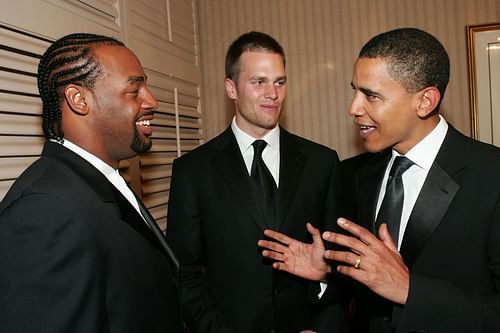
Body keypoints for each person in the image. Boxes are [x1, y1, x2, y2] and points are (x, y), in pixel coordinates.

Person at [258, 27, 500, 333]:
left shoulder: (491, 175)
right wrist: (327, 275)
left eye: (370, 95)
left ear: (425, 101)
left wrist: (411, 290)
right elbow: (361, 297)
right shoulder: (354, 175)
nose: (353, 108)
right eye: (355, 91)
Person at [0, 33, 183, 332]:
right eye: (134, 89)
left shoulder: (100, 180)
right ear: (79, 99)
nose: (153, 101)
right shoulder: (44, 211)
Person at [166, 31, 346, 332]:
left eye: (279, 81)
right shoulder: (192, 171)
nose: (273, 94)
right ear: (231, 88)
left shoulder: (322, 162)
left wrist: (322, 323)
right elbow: (186, 274)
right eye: (258, 82)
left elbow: (341, 267)